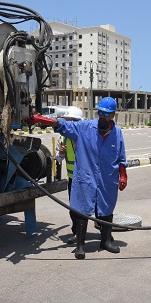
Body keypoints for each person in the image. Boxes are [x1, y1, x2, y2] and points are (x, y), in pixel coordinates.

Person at [28, 97, 128, 260]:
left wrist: (123, 174)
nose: (102, 116)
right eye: (100, 113)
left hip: (107, 178)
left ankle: (105, 242)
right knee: (81, 210)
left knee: (106, 209)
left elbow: (121, 156)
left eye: (106, 114)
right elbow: (63, 125)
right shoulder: (85, 127)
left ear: (113, 115)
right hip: (86, 177)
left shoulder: (117, 133)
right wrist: (43, 120)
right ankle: (80, 246)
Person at [54, 106, 84, 244]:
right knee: (74, 208)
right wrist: (61, 152)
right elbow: (58, 159)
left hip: (86, 178)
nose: (67, 124)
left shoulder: (85, 136)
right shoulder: (63, 137)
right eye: (66, 121)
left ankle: (103, 230)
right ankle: (76, 232)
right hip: (73, 179)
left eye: (70, 121)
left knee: (92, 206)